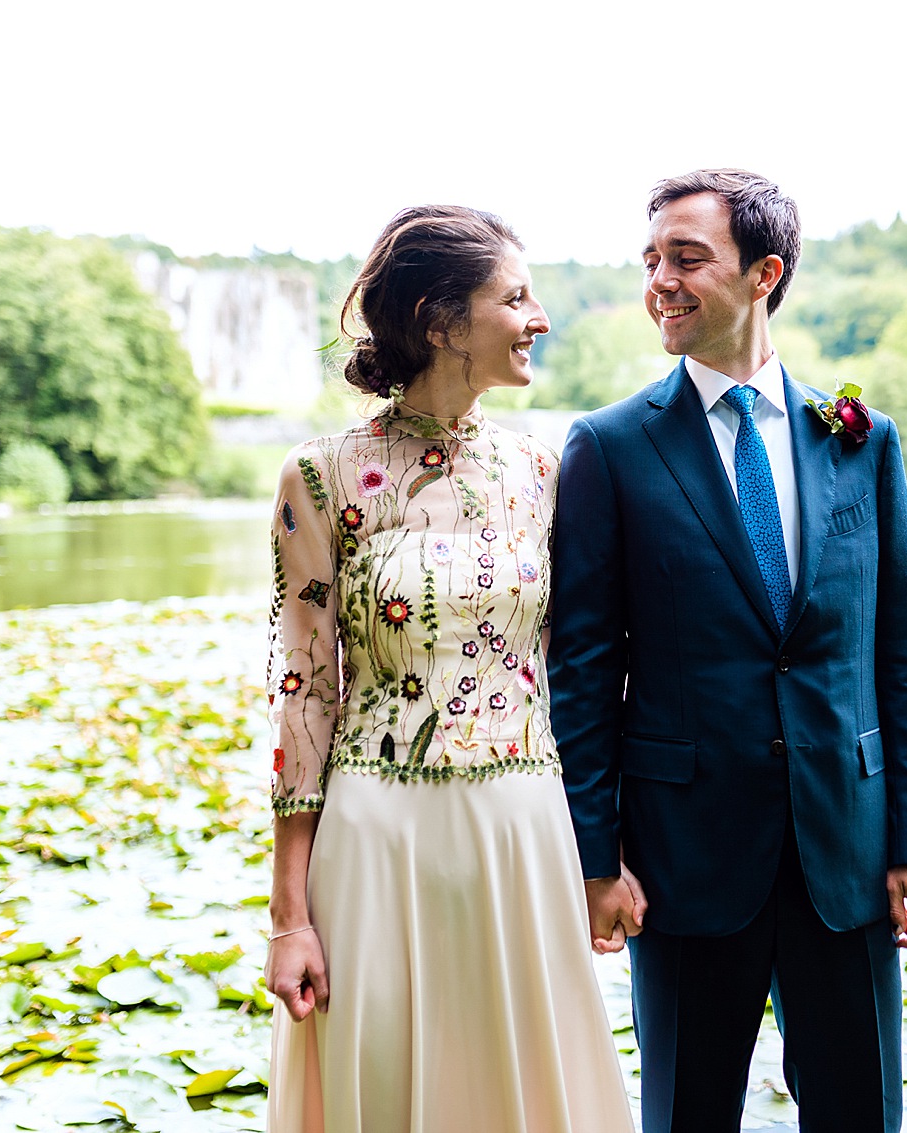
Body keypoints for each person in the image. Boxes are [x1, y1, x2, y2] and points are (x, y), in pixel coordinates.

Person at [548, 170, 907, 1133]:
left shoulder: (860, 438)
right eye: (651, 261)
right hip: (684, 859)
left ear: (764, 273)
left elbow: (899, 650)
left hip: (846, 855)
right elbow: (582, 672)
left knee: (861, 1114)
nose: (661, 281)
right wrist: (594, 859)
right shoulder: (608, 449)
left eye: (688, 258)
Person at [262, 205, 636, 1133]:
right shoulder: (321, 477)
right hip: (377, 838)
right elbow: (305, 694)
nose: (538, 316)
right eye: (515, 297)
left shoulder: (543, 473)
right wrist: (289, 916)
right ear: (439, 319)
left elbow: (578, 670)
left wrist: (604, 851)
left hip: (522, 832)